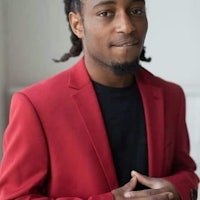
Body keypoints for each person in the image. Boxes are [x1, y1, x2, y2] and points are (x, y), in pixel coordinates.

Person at [0, 0, 199, 199]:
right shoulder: (35, 105)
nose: (127, 26)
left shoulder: (171, 96)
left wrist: (175, 190)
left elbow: (186, 172)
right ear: (77, 24)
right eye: (106, 13)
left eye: (136, 10)